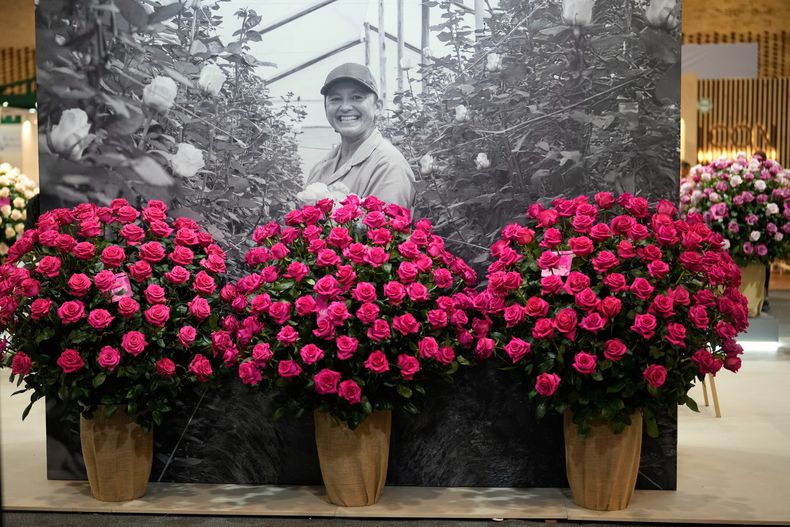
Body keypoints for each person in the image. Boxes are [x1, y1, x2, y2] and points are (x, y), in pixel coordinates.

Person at [305, 63, 416, 210]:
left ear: (378, 107)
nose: (345, 107)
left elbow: (386, 231)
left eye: (356, 97)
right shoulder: (321, 167)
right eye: (335, 99)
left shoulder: (388, 166)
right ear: (326, 108)